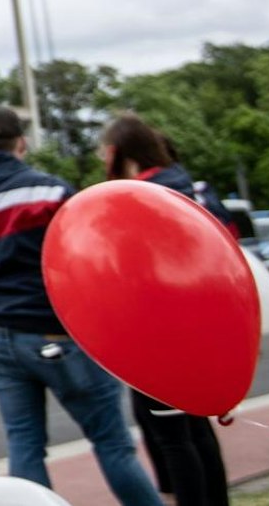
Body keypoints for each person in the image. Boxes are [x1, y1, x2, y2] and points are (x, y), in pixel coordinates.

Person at [0, 106, 161, 506]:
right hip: (54, 330)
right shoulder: (51, 192)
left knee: (24, 443)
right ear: (21, 143)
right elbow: (85, 261)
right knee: (112, 443)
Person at [101, 114, 231, 506]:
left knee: (171, 435)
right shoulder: (194, 189)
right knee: (195, 426)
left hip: (157, 329)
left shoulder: (137, 197)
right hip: (202, 323)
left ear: (114, 153)